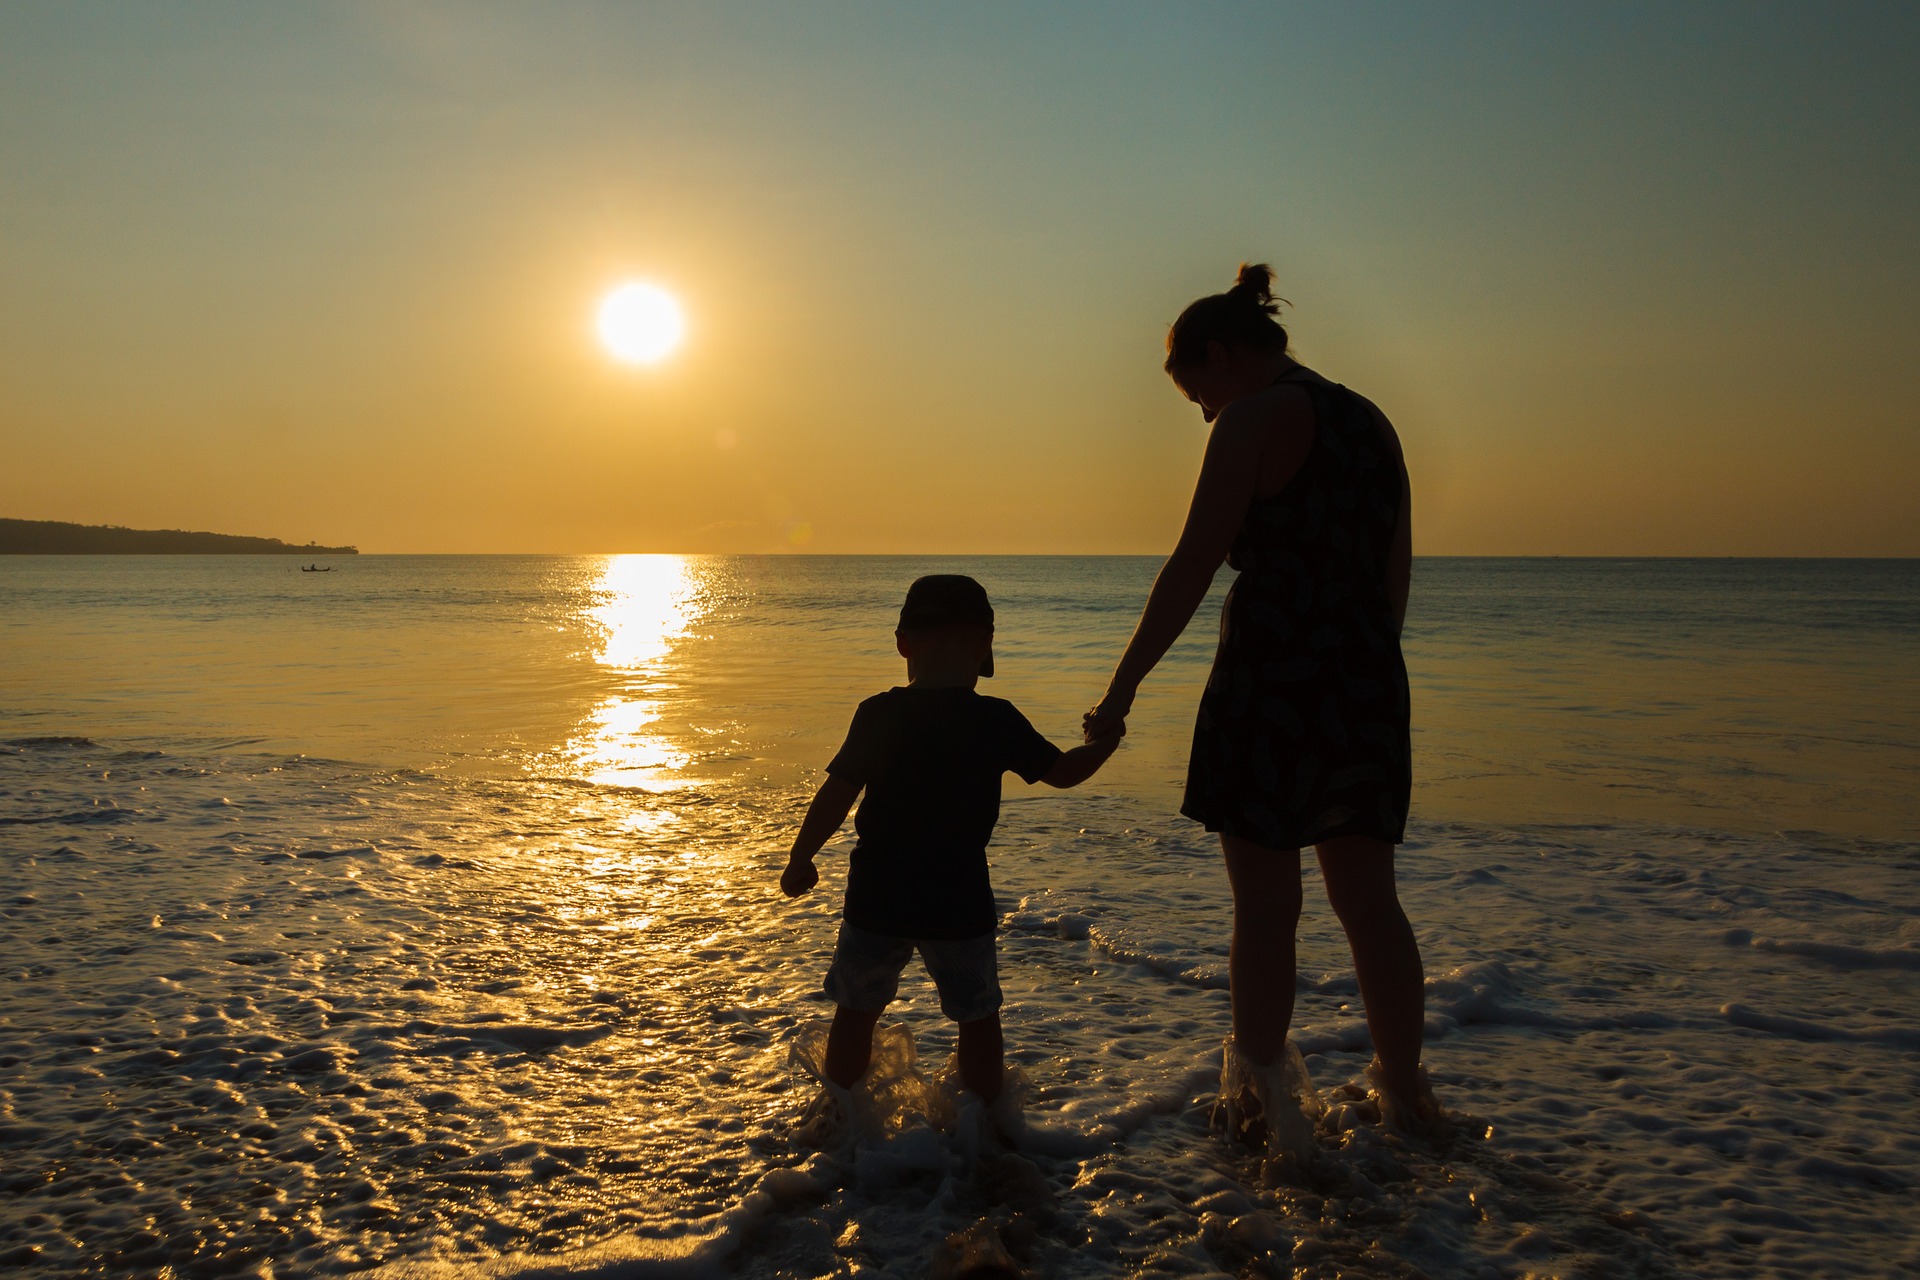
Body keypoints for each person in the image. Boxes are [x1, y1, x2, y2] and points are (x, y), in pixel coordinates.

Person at [1082, 263, 1443, 1140]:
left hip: (1271, 675)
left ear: (1218, 354)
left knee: (1265, 904)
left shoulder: (1251, 420)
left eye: (1195, 390)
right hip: (1364, 675)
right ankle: (1406, 1094)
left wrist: (1119, 692)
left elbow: (1193, 566)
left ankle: (1260, 1102)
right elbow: (1395, 568)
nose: (1202, 411)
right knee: (1370, 901)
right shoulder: (1372, 421)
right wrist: (1366, 668)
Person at [781, 574, 1122, 1103]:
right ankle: (983, 1124)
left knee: (856, 1010)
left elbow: (837, 792)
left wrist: (802, 855)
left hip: (878, 893)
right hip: (958, 897)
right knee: (978, 1014)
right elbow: (1062, 772)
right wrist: (1108, 741)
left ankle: (841, 1117)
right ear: (985, 646)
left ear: (903, 645)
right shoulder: (994, 718)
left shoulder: (879, 713)